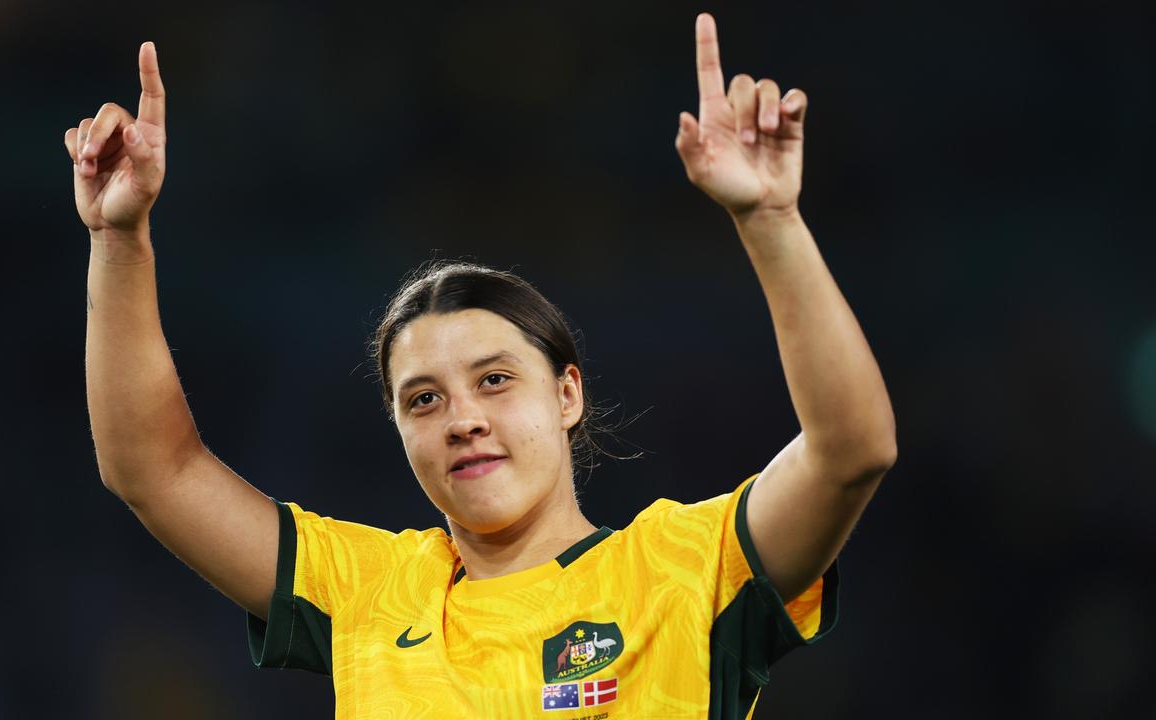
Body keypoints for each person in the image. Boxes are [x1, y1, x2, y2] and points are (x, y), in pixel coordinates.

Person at [65, 12, 895, 719]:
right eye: (422, 400)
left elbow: (852, 450)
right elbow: (152, 468)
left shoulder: (688, 569)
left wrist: (772, 220)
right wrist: (119, 239)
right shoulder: (368, 593)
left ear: (567, 393)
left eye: (495, 379)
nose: (462, 417)